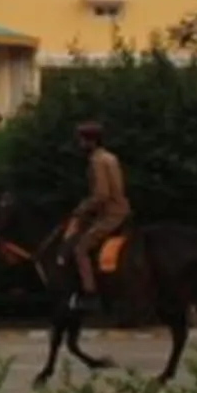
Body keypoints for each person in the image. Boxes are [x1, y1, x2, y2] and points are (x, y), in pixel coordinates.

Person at [58, 119, 129, 307]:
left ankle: (89, 293)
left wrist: (81, 209)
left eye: (82, 140)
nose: (80, 144)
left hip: (110, 214)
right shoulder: (110, 157)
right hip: (121, 208)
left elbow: (101, 195)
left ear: (91, 141)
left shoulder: (97, 161)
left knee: (80, 248)